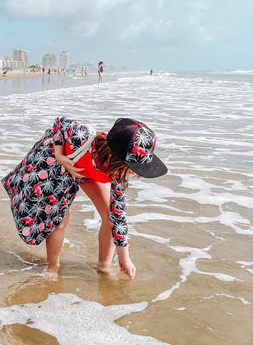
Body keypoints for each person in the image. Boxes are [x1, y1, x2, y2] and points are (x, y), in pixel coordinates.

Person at [19, 116, 167, 282]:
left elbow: (117, 216)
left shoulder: (118, 173)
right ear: (116, 158)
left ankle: (104, 265)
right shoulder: (81, 137)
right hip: (59, 162)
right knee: (59, 220)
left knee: (108, 215)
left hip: (85, 172)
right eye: (135, 167)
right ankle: (53, 265)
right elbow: (59, 122)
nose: (135, 172)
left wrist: (124, 257)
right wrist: (60, 154)